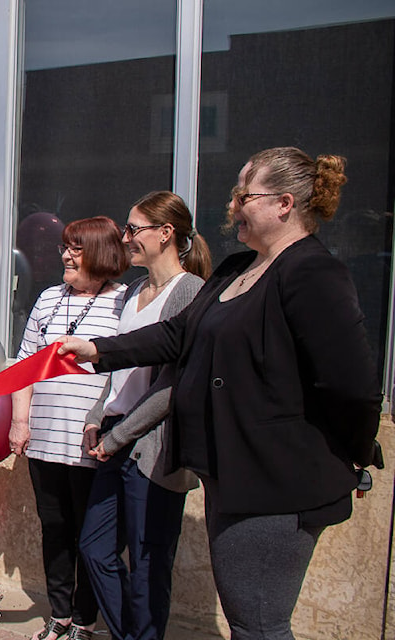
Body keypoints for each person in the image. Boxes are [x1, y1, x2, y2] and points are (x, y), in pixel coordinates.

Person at [58, 147, 381, 640]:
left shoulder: (312, 272)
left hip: (278, 481)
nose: (232, 206)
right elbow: (173, 337)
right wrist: (97, 348)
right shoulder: (235, 269)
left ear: (284, 204)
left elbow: (352, 385)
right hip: (231, 472)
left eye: (243, 195)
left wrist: (353, 455)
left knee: (258, 625)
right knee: (248, 621)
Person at [77, 192, 210, 640]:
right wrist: (99, 416)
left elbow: (172, 386)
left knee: (148, 563)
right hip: (115, 435)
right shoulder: (134, 292)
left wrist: (120, 436)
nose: (126, 238)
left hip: (152, 445)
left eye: (133, 229)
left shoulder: (190, 291)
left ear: (165, 234)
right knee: (95, 550)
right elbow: (117, 368)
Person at [9, 216, 131, 640]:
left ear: (101, 252)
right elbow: (25, 366)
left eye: (76, 249)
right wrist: (20, 422)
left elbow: (128, 373)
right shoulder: (46, 299)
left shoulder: (124, 303)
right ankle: (59, 614)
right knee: (55, 529)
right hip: (45, 441)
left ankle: (85, 619)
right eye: (66, 247)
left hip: (92, 444)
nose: (65, 255)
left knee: (91, 539)